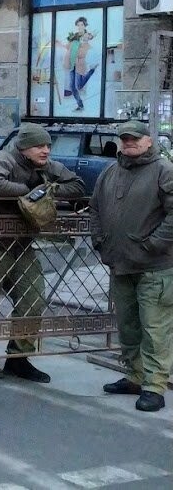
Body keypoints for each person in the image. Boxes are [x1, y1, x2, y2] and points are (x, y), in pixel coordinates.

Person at [0, 122, 85, 382]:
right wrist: (32, 192)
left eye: (47, 146)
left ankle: (18, 358)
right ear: (23, 147)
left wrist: (51, 190)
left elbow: (77, 186)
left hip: (22, 244)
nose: (45, 151)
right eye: (39, 146)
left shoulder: (46, 166)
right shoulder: (3, 160)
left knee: (33, 300)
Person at [89, 121, 173, 412]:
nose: (129, 143)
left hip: (155, 267)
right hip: (120, 263)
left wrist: (153, 244)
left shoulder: (164, 170)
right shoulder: (110, 172)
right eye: (125, 139)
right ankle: (135, 376)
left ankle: (154, 386)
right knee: (128, 326)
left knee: (155, 328)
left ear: (149, 141)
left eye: (135, 139)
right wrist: (99, 240)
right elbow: (96, 208)